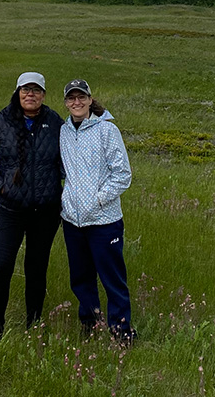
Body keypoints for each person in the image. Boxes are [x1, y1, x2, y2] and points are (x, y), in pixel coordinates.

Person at [0, 72, 65, 337]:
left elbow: (68, 158)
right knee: (2, 266)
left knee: (36, 268)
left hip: (45, 212)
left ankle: (33, 324)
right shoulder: (2, 121)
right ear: (17, 92)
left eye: (36, 90)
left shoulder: (54, 122)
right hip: (10, 210)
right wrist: (2, 186)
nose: (30, 95)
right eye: (26, 89)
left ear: (44, 95)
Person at [59, 78, 136, 344]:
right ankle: (89, 324)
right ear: (66, 102)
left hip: (104, 222)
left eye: (82, 97)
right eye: (71, 98)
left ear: (91, 100)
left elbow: (122, 174)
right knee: (81, 278)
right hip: (72, 221)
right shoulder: (64, 132)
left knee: (112, 278)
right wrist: (66, 201)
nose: (76, 103)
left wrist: (98, 200)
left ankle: (121, 331)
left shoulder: (107, 131)